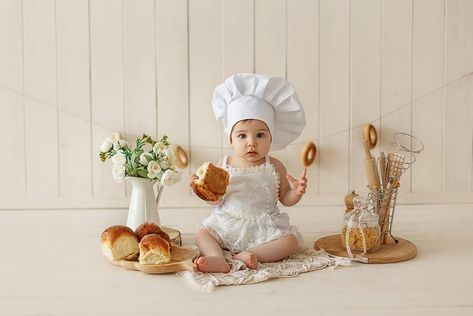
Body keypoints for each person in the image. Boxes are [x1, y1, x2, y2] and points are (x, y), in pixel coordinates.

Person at [190, 73, 307, 273]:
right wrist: (200, 188)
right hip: (228, 223)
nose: (251, 142)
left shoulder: (275, 166)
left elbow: (285, 198)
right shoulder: (222, 165)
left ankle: (253, 253)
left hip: (263, 226)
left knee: (290, 241)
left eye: (260, 135)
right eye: (242, 135)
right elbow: (215, 200)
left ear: (271, 138)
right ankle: (216, 257)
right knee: (202, 233)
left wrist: (296, 192)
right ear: (231, 140)